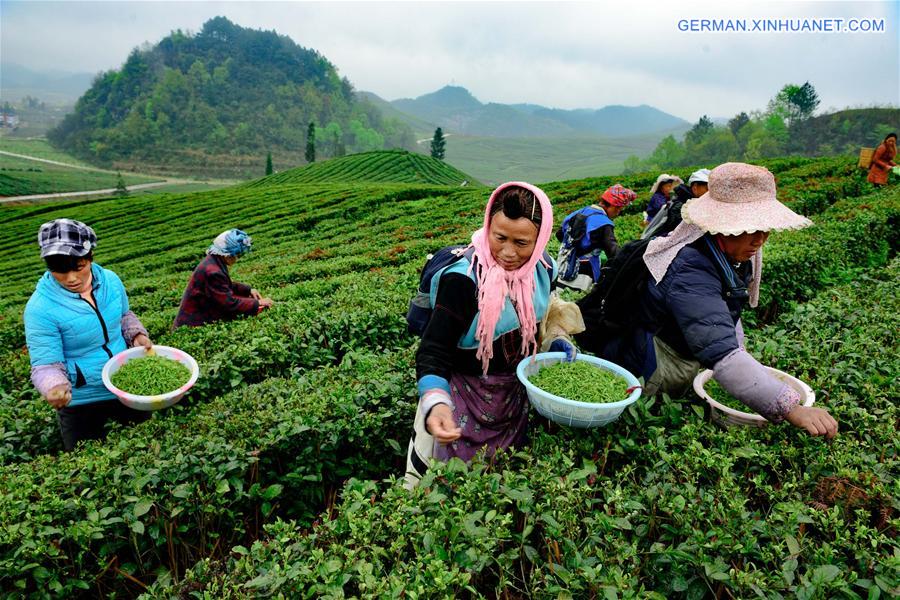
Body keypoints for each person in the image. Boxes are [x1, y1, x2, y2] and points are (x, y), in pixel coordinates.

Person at [578, 163, 838, 438]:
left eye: (765, 228)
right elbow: (720, 352)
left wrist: (742, 357)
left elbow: (725, 318)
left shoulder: (732, 255)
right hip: (656, 364)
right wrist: (793, 409)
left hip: (679, 354)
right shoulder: (691, 267)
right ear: (722, 225)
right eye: (749, 228)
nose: (760, 239)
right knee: (645, 428)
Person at [413, 182, 568, 470]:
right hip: (462, 396)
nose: (508, 252)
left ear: (540, 239)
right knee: (450, 479)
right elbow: (433, 350)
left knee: (502, 474)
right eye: (499, 237)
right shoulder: (463, 280)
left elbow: (542, 316)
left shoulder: (543, 269)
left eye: (521, 243)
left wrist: (552, 343)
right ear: (488, 228)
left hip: (512, 395)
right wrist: (437, 402)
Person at [24, 219, 153, 451]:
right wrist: (55, 386)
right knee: (86, 463)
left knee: (145, 446)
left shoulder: (111, 281)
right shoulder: (40, 308)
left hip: (125, 384)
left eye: (79, 267)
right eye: (59, 271)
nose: (71, 278)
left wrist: (136, 336)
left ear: (90, 256)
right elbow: (45, 364)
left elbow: (124, 315)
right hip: (83, 399)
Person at [173, 229, 273, 328]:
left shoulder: (214, 261)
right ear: (226, 254)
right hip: (193, 323)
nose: (236, 259)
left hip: (197, 317)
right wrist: (258, 303)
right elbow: (229, 304)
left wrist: (248, 290)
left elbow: (224, 284)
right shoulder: (213, 271)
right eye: (235, 255)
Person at [555, 184, 638, 289]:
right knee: (578, 300)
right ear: (613, 206)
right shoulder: (604, 223)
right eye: (619, 209)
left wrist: (574, 248)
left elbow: (559, 234)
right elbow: (614, 253)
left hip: (563, 263)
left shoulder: (581, 211)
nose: (618, 213)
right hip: (584, 272)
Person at [642, 168, 710, 240]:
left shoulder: (684, 200)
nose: (709, 193)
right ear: (695, 187)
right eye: (707, 189)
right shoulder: (681, 207)